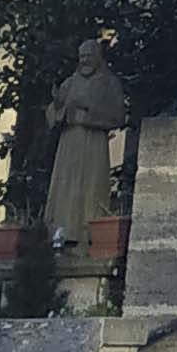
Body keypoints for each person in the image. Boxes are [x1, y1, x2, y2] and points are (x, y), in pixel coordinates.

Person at [41, 33, 131, 241]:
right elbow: (53, 114)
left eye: (90, 55)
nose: (85, 60)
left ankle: (88, 233)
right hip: (68, 144)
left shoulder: (109, 83)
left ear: (98, 57)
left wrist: (88, 111)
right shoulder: (69, 83)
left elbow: (118, 116)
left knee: (91, 186)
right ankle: (61, 232)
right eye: (82, 56)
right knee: (65, 185)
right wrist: (59, 108)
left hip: (94, 144)